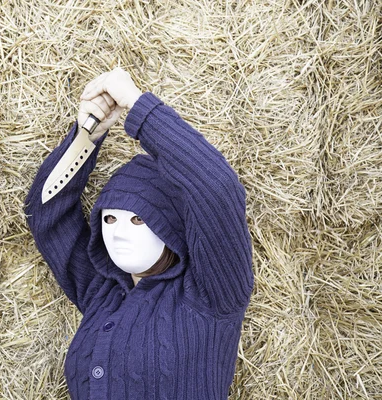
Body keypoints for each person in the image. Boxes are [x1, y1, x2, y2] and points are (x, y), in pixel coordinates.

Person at [24, 67, 254, 399]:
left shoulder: (211, 293)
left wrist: (137, 105)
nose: (117, 233)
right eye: (109, 220)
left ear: (170, 228)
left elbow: (216, 187)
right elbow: (46, 211)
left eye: (137, 220)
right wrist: (87, 137)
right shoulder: (102, 291)